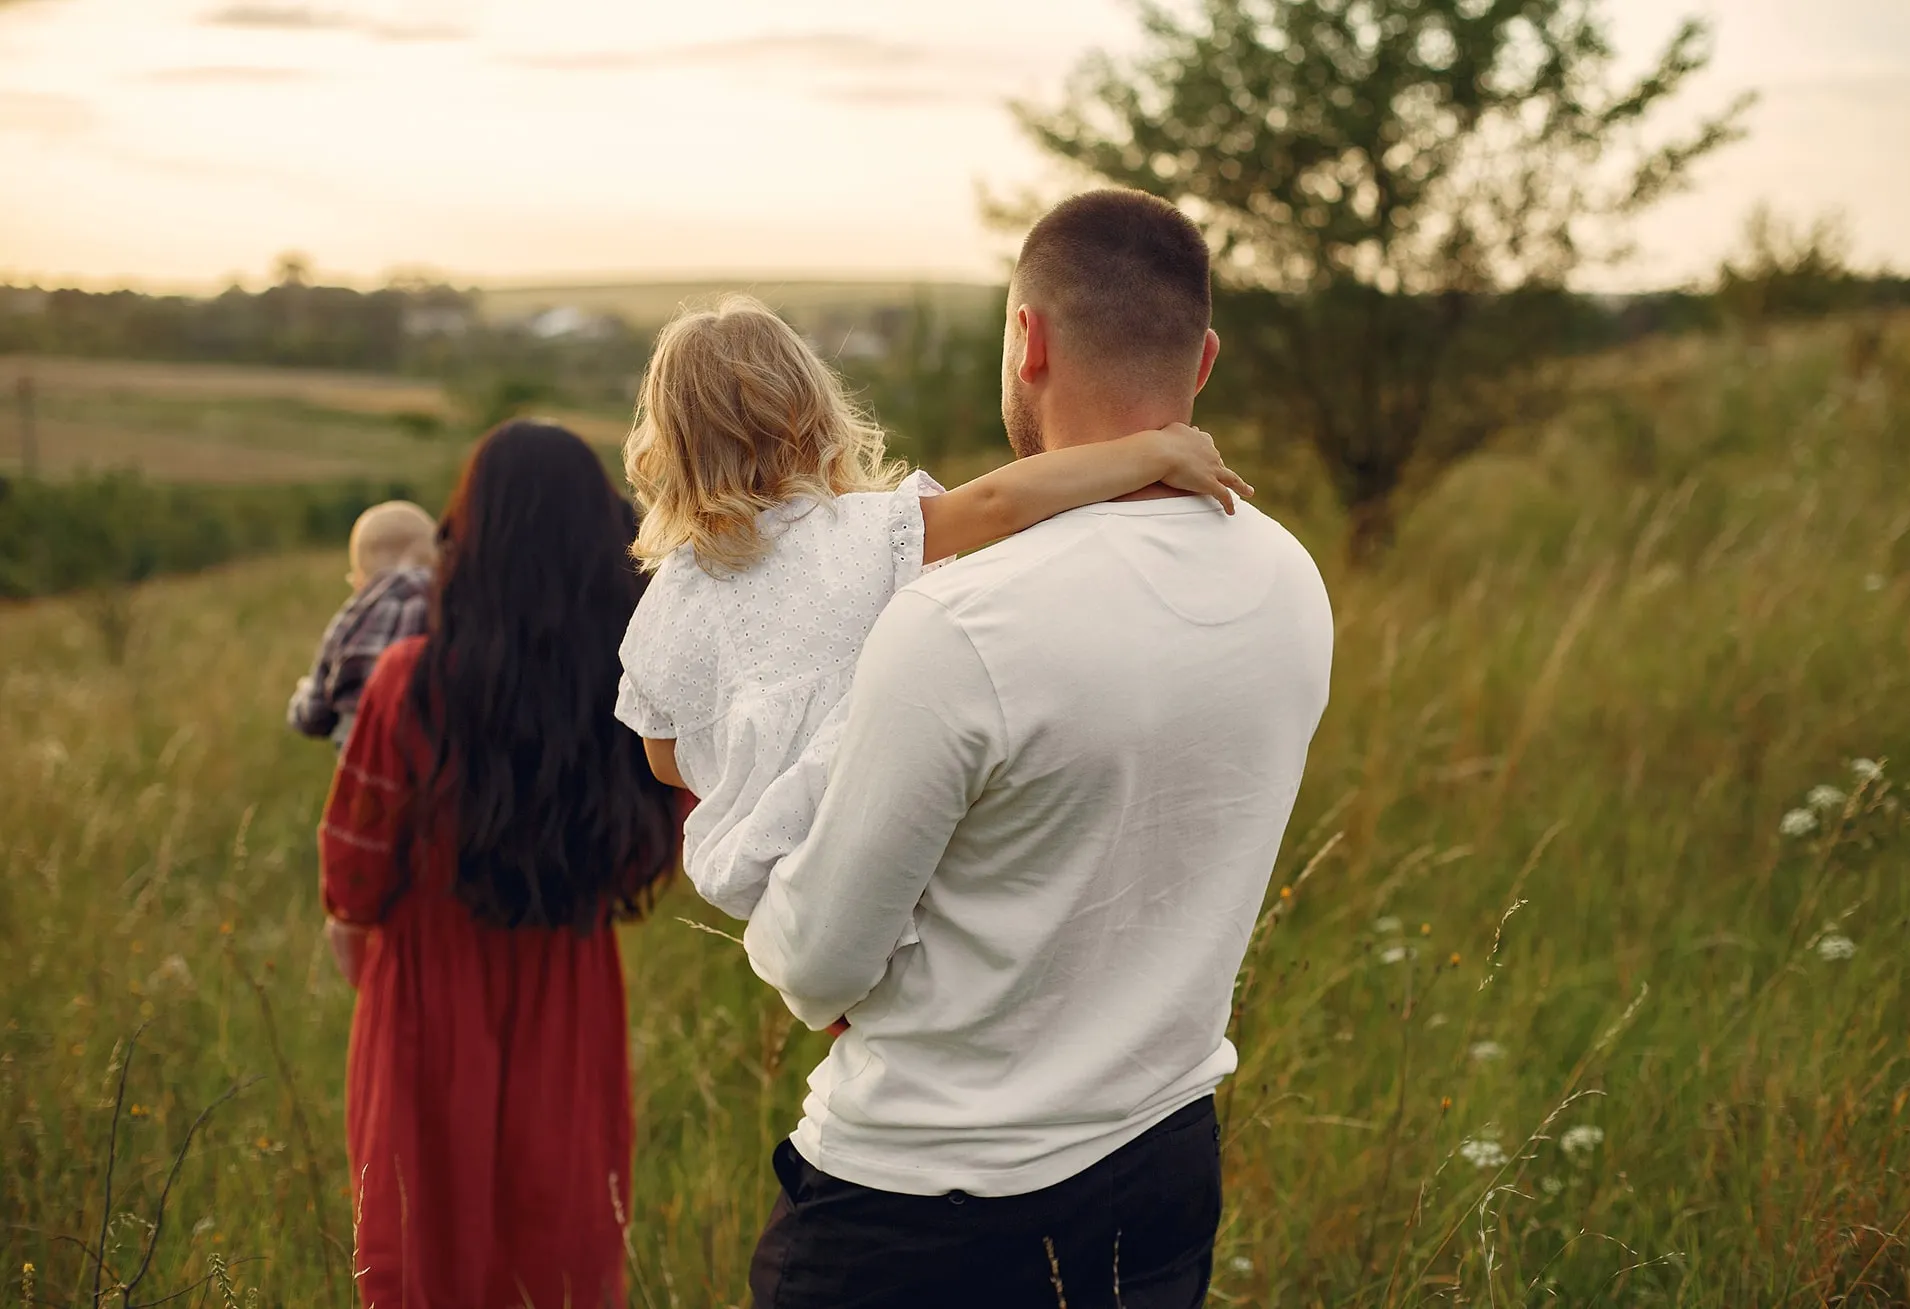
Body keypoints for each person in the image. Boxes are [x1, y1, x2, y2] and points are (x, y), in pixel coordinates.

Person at [741, 190, 1336, 1308]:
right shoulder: (1287, 578)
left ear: (1028, 338)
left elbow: (815, 965)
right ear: (1200, 360)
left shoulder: (960, 621)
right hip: (1161, 1162)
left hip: (921, 1213)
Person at [613, 294, 1253, 921]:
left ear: (670, 444)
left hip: (770, 879)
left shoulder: (672, 596)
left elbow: (665, 756)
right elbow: (1000, 503)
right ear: (809, 413)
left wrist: (759, 748)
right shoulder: (862, 531)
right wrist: (1153, 452)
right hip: (896, 847)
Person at [318, 422, 683, 1309]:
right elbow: (672, 833)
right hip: (571, 991)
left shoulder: (407, 683)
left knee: (422, 1255)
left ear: (466, 537)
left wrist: (386, 978)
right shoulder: (636, 688)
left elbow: (351, 890)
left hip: (423, 1004)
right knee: (556, 1255)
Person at [287, 500, 437, 749]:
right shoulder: (457, 608)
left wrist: (301, 700)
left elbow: (314, 714)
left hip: (364, 767)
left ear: (359, 580)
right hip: (437, 761)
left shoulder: (350, 621)